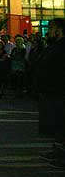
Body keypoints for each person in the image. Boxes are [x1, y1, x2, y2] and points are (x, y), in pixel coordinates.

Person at [35, 18, 65, 168]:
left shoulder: (62, 47)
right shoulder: (54, 46)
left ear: (59, 30)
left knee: (61, 123)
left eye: (51, 28)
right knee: (56, 125)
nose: (48, 31)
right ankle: (57, 151)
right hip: (50, 92)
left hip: (59, 91)